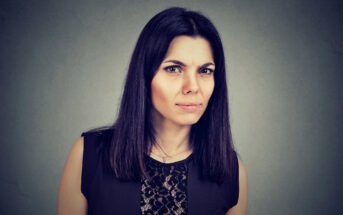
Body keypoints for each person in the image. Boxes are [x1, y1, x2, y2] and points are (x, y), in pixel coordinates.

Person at [57, 6, 248, 215]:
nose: (193, 87)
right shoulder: (88, 155)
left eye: (205, 71)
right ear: (144, 75)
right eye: (174, 68)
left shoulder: (232, 172)